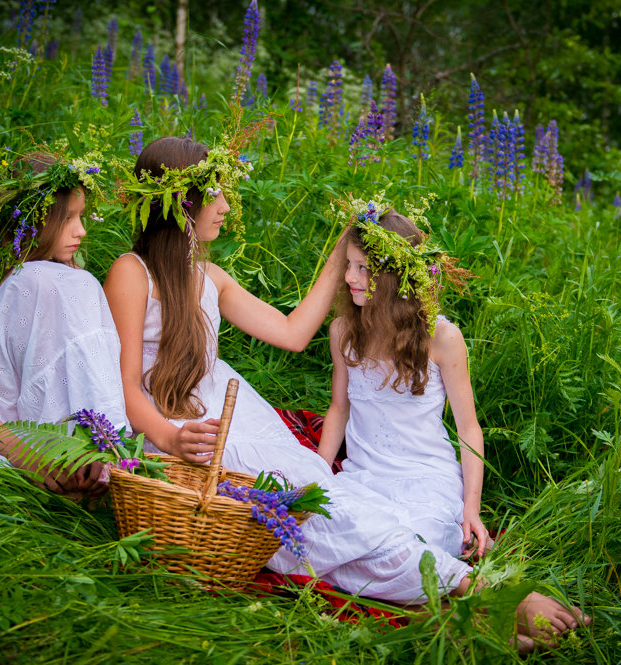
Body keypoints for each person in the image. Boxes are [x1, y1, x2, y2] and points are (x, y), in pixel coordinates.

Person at [104, 136, 590, 647]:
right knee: (294, 525)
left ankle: (463, 598)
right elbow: (127, 387)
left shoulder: (209, 276)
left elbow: (292, 334)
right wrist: (168, 437)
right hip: (181, 427)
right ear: (183, 203)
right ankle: (480, 594)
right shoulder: (130, 273)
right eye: (217, 195)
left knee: (321, 500)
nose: (225, 206)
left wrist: (341, 257)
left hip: (233, 406)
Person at [0, 150, 125, 497]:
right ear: (34, 220)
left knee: (71, 282)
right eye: (68, 219)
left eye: (81, 216)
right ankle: (64, 460)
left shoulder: (71, 279)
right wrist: (27, 455)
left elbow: (85, 369)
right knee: (35, 278)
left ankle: (91, 452)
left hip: (52, 429)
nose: (81, 230)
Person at [316, 204, 491, 561]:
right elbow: (339, 408)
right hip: (364, 476)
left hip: (425, 478)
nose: (349, 277)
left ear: (395, 278)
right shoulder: (343, 332)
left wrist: (471, 508)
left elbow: (469, 430)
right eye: (349, 265)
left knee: (414, 547)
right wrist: (317, 472)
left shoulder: (441, 337)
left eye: (363, 269)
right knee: (320, 533)